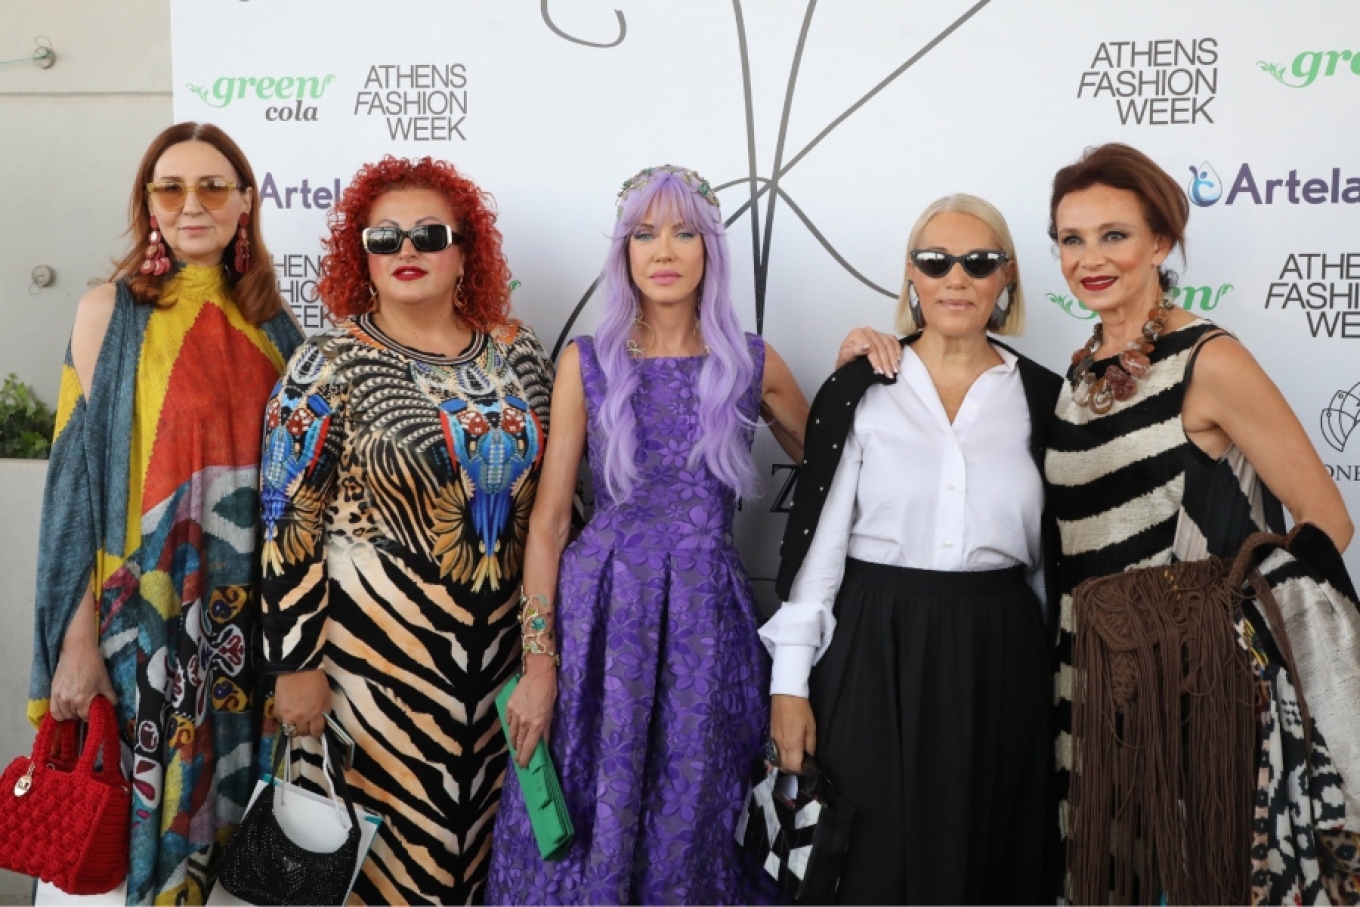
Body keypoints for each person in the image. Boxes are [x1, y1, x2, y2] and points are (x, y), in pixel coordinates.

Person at [483, 165, 810, 905]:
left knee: (694, 820)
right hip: (601, 623)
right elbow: (550, 523)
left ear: (710, 249)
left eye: (684, 232)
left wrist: (868, 358)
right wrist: (538, 663)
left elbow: (835, 472)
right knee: (585, 816)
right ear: (623, 251)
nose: (663, 250)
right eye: (644, 233)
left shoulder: (752, 363)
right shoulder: (589, 362)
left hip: (706, 627)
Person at [1043, 143, 1354, 898]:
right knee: (1105, 874)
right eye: (1071, 239)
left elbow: (1326, 519)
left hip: (1189, 686)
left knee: (1193, 875)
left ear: (1160, 241)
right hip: (1087, 677)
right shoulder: (1079, 372)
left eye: (1114, 235)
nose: (1090, 258)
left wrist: (1201, 629)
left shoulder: (1207, 360)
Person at [258, 155, 553, 905]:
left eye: (429, 234)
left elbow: (557, 510)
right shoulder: (326, 364)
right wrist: (294, 665)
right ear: (361, 256)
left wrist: (548, 650)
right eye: (383, 238)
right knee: (376, 869)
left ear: (465, 251)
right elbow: (288, 524)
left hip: (501, 676)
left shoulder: (519, 353)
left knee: (479, 864)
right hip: (369, 679)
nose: (406, 250)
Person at [27, 122, 303, 903]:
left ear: (245, 202)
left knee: (235, 851)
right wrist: (77, 643)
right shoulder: (108, 312)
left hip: (246, 642)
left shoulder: (277, 328)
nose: (192, 204)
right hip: (142, 634)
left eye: (213, 186)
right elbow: (75, 493)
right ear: (148, 204)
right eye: (170, 187)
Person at [765, 194, 1061, 904]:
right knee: (867, 868)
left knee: (988, 864)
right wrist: (789, 687)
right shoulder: (859, 390)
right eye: (936, 261)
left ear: (1007, 277)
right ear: (911, 275)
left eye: (979, 262)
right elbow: (819, 559)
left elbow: (1050, 567)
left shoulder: (1047, 398)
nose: (956, 278)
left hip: (1001, 656)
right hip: (872, 646)